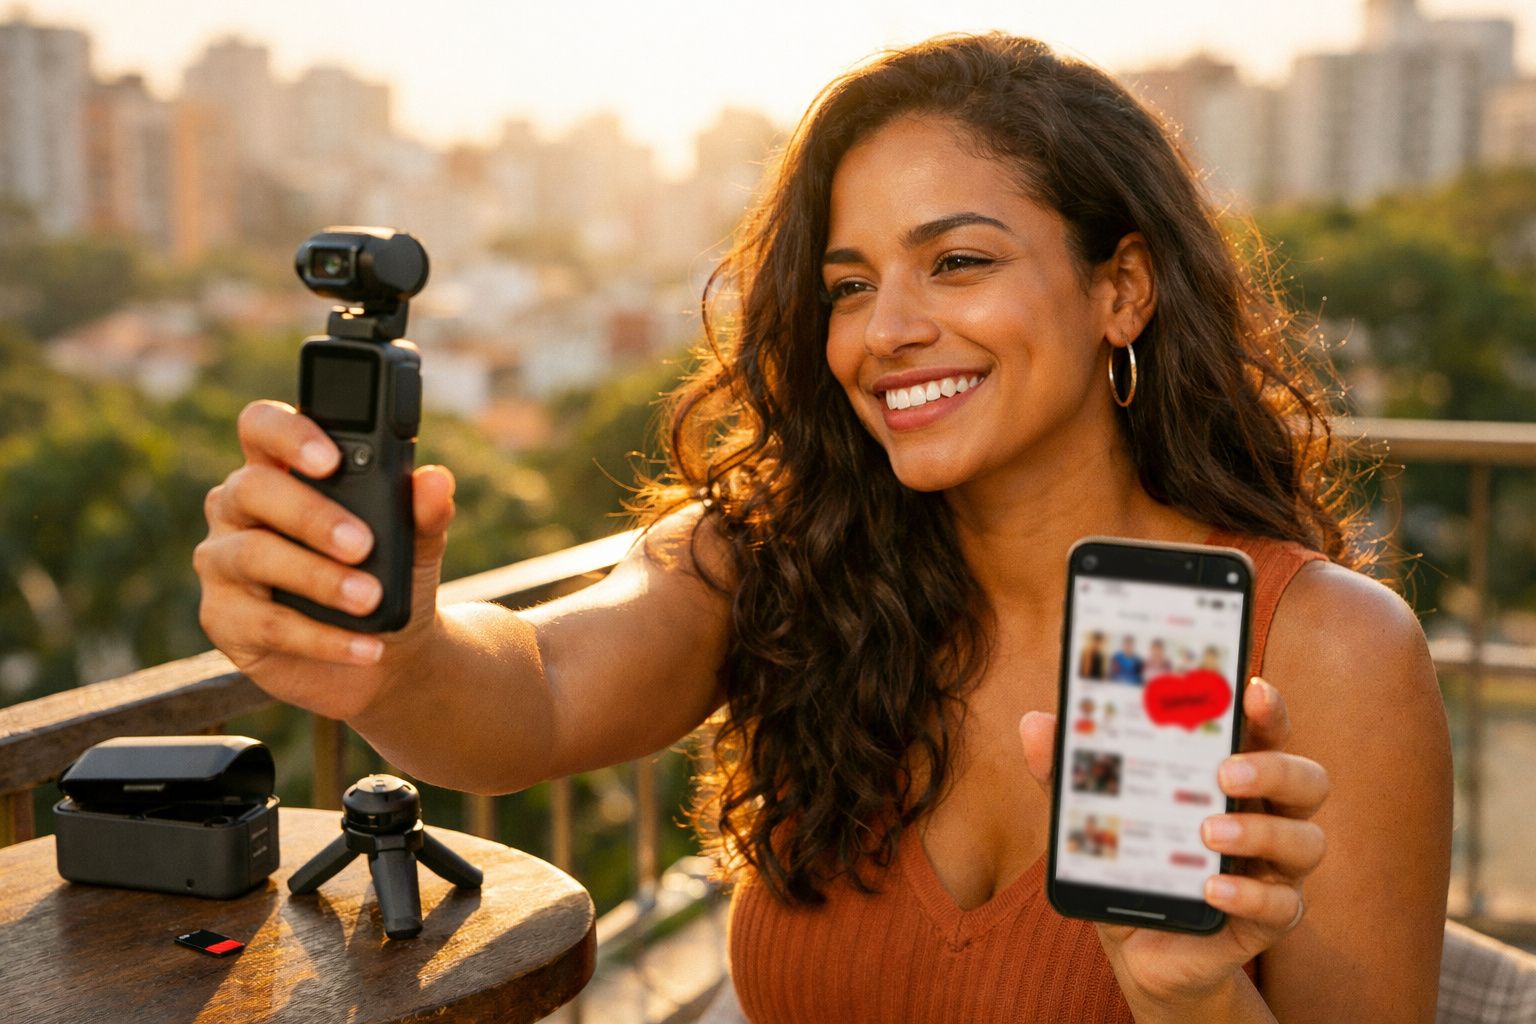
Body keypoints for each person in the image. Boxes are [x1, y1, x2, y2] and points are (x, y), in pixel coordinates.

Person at [193, 33, 1453, 1023]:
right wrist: (396, 650)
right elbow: (534, 692)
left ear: (1120, 287)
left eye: (956, 262)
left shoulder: (1329, 652)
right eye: (850, 285)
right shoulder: (786, 558)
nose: (882, 329)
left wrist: (1190, 996)